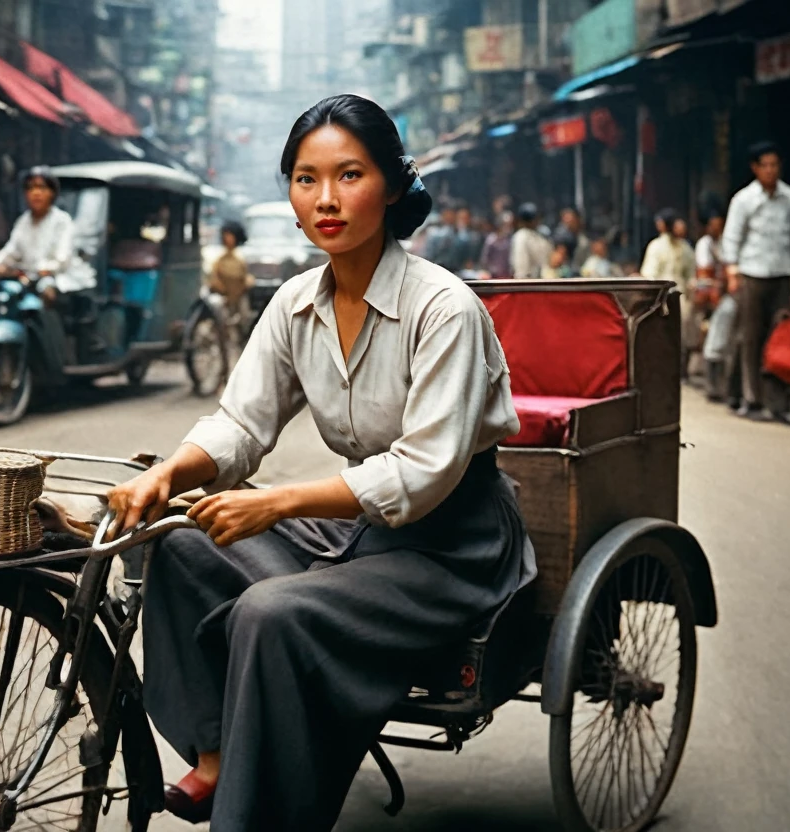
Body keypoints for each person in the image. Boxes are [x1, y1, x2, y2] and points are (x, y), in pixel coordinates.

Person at [107, 93, 534, 831]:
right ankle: (218, 753)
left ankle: (259, 814)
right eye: (306, 179)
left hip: (451, 547)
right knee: (175, 543)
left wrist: (276, 504)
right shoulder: (294, 303)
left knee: (273, 612)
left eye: (350, 175)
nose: (326, 199)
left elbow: (422, 475)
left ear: (394, 187)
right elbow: (243, 421)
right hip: (359, 536)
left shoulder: (445, 309)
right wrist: (167, 475)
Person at [721, 141, 790, 423]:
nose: (771, 170)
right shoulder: (744, 200)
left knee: (781, 340)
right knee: (751, 338)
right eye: (765, 165)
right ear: (755, 168)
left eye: (775, 165)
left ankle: (780, 404)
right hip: (751, 274)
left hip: (782, 273)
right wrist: (732, 272)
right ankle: (752, 399)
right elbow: (732, 237)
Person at [0, 166, 91, 384]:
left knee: (48, 293)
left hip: (59, 277)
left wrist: (46, 268)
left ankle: (56, 353)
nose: (36, 193)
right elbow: (11, 250)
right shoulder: (23, 222)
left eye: (42, 188)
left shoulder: (62, 221)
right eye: (31, 188)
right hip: (28, 277)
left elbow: (63, 257)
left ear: (52, 192)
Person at [641, 209, 697, 378]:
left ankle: (678, 368)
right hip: (662, 296)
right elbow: (650, 274)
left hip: (676, 296)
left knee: (680, 333)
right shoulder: (657, 246)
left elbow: (691, 275)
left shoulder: (684, 247)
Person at [696, 211, 739, 402]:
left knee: (726, 340)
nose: (717, 229)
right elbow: (705, 273)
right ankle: (712, 384)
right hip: (710, 295)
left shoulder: (726, 243)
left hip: (727, 295)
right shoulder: (704, 244)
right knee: (714, 339)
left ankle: (723, 385)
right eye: (714, 225)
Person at [208, 221, 254, 343]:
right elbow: (213, 277)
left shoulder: (242, 257)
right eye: (225, 235)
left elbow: (246, 277)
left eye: (230, 235)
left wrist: (246, 283)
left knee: (244, 320)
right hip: (223, 296)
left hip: (239, 295)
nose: (227, 238)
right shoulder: (218, 258)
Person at [510, 202, 552, 279]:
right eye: (534, 219)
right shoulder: (521, 236)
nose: (537, 221)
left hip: (542, 279)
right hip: (530, 282)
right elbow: (521, 265)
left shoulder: (539, 234)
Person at [554, 206, 591, 273]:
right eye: (565, 220)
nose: (567, 223)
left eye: (570, 220)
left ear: (577, 219)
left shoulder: (584, 239)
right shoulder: (560, 235)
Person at [479, 210, 514, 278]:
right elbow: (484, 260)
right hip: (493, 277)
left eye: (510, 225)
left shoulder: (510, 240)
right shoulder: (491, 240)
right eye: (506, 225)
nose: (508, 228)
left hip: (507, 276)